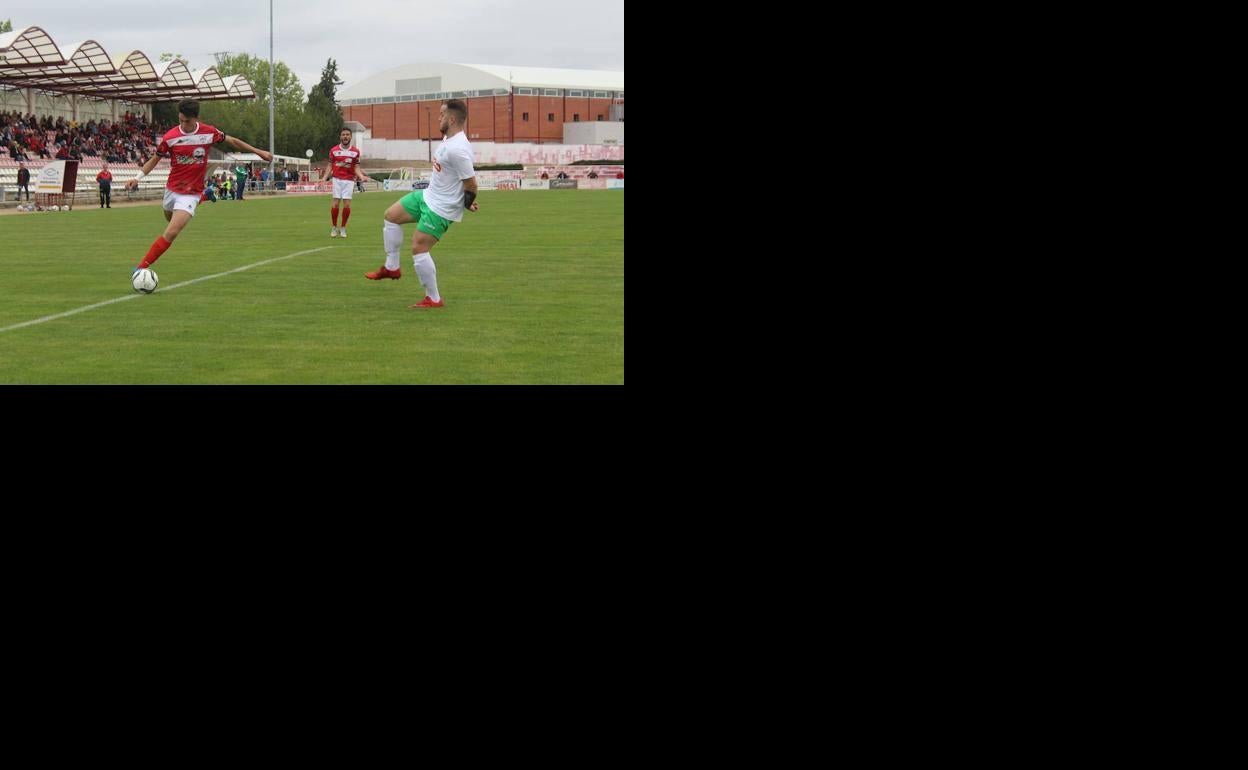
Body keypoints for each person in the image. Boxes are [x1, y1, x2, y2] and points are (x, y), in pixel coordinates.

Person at [124, 99, 272, 277]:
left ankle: (140, 268)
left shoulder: (209, 133)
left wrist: (259, 152)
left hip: (191, 193)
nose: (183, 124)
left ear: (195, 118)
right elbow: (154, 160)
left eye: (186, 121)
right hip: (172, 189)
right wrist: (137, 178)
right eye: (180, 120)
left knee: (171, 232)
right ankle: (206, 195)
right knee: (169, 219)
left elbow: (232, 141)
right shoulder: (170, 137)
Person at [365, 99, 478, 309]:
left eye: (442, 114)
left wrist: (464, 203)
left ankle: (433, 299)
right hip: (428, 196)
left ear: (452, 119)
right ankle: (392, 268)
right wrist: (465, 201)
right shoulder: (449, 139)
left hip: (441, 208)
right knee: (391, 216)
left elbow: (471, 184)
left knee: (419, 247)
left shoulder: (458, 149)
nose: (438, 118)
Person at [319, 127, 373, 238]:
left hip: (349, 180)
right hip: (337, 179)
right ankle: (334, 227)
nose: (345, 136)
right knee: (335, 204)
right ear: (340, 137)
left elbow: (356, 167)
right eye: (343, 134)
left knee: (347, 205)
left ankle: (343, 228)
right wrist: (324, 178)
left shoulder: (355, 152)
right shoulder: (334, 150)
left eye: (347, 134)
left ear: (350, 137)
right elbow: (330, 165)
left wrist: (361, 176)